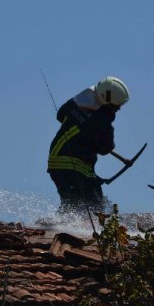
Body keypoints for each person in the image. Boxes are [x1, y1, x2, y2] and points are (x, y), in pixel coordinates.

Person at [47, 76, 130, 213]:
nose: (119, 109)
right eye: (117, 106)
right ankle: (62, 226)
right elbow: (105, 148)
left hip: (59, 161)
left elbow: (60, 115)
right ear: (108, 103)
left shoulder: (79, 101)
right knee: (87, 207)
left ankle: (63, 222)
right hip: (71, 165)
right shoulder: (102, 121)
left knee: (93, 200)